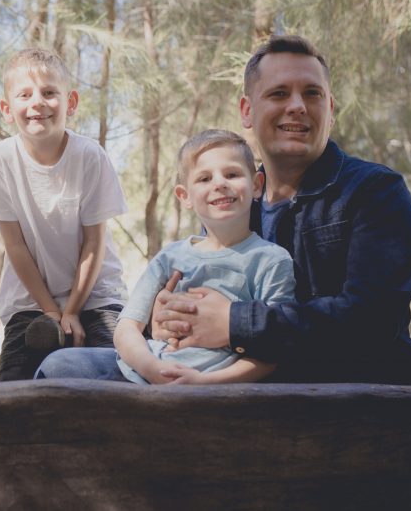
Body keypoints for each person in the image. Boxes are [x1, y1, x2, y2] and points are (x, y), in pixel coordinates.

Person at [39, 34, 411, 387]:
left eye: (312, 94)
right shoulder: (232, 201)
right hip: (205, 372)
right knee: (62, 368)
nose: (297, 106)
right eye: (279, 94)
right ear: (247, 110)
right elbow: (186, 288)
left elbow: (370, 323)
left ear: (330, 110)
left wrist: (235, 323)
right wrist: (170, 317)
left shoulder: (374, 193)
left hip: (329, 386)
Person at [0, 47, 127, 381]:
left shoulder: (90, 157)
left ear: (70, 102)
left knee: (122, 375)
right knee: (16, 384)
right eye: (24, 95)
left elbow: (94, 243)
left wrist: (72, 311)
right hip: (30, 301)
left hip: (97, 297)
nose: (37, 103)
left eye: (48, 93)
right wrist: (52, 312)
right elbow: (15, 246)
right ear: (6, 109)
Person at [114, 130, 295, 384]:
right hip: (144, 374)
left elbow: (274, 348)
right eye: (204, 178)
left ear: (256, 185)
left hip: (218, 388)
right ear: (184, 196)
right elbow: (127, 326)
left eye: (232, 174)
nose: (219, 183)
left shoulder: (271, 261)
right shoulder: (170, 257)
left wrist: (206, 384)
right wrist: (151, 367)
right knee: (62, 366)